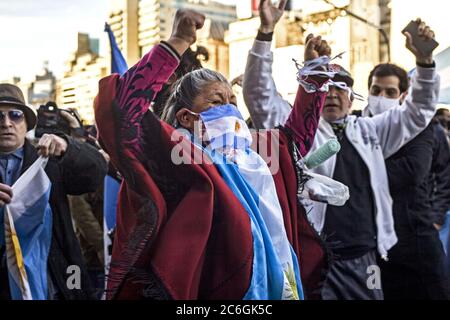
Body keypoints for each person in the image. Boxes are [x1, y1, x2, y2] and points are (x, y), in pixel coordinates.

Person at [94, 3, 342, 300]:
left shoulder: (255, 155)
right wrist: (177, 43)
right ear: (187, 118)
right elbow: (121, 112)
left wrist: (314, 76)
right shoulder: (172, 157)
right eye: (216, 102)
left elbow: (297, 139)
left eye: (232, 102)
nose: (230, 111)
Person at [243, 13, 440, 299]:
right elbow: (259, 95)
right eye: (326, 87)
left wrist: (424, 64)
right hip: (314, 256)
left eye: (340, 88)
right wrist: (265, 32)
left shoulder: (371, 130)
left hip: (366, 257)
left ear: (352, 98)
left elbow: (418, 110)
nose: (332, 94)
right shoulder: (295, 130)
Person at [0, 83, 108, 300]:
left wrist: (68, 146)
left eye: (15, 115)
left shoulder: (49, 161)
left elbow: (95, 173)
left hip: (52, 280)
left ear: (27, 123)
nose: (6, 123)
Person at [363, 61, 450, 299]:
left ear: (402, 95)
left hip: (415, 237)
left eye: (390, 92)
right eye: (376, 90)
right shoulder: (354, 126)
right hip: (373, 246)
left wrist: (436, 216)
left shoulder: (420, 127)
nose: (381, 97)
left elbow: (416, 170)